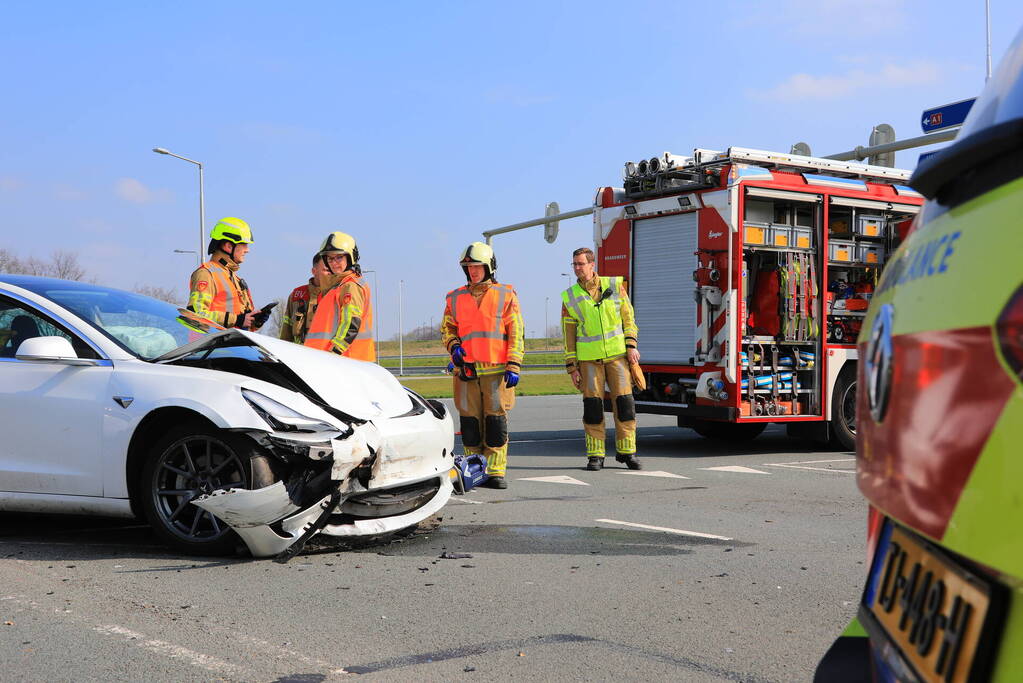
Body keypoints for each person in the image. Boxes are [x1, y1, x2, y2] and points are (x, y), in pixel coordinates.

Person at [442, 242, 523, 489]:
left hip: (497, 372)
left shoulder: (506, 294)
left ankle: (495, 471)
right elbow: (448, 327)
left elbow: (516, 332)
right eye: (468, 267)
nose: (473, 271)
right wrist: (454, 346)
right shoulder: (454, 297)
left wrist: (514, 364)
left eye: (477, 266)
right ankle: (473, 469)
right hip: (466, 371)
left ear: (489, 267)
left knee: (495, 422)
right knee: (470, 423)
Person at [561, 247, 641, 471]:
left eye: (580, 264)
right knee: (593, 408)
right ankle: (595, 456)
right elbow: (568, 337)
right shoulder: (569, 297)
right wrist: (572, 368)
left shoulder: (615, 286)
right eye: (574, 264)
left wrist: (631, 346)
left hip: (618, 358)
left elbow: (629, 320)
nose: (577, 268)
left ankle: (627, 453)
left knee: (625, 406)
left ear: (592, 264)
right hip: (589, 361)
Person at [304, 231, 376, 361]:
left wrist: (334, 353)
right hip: (325, 360)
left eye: (339, 257)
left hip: (345, 362)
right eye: (330, 258)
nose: (334, 262)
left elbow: (350, 325)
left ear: (350, 258)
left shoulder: (351, 286)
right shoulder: (337, 286)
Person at [188, 217, 259, 330]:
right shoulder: (206, 274)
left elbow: (242, 322)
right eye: (244, 244)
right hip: (213, 346)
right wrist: (236, 320)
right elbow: (195, 316)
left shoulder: (235, 278)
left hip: (231, 346)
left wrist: (255, 321)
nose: (247, 250)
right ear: (228, 246)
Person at [280, 254, 330, 344]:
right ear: (314, 271)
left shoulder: (336, 295)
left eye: (331, 269)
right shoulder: (296, 295)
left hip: (324, 355)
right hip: (298, 353)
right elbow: (286, 331)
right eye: (326, 270)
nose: (330, 273)